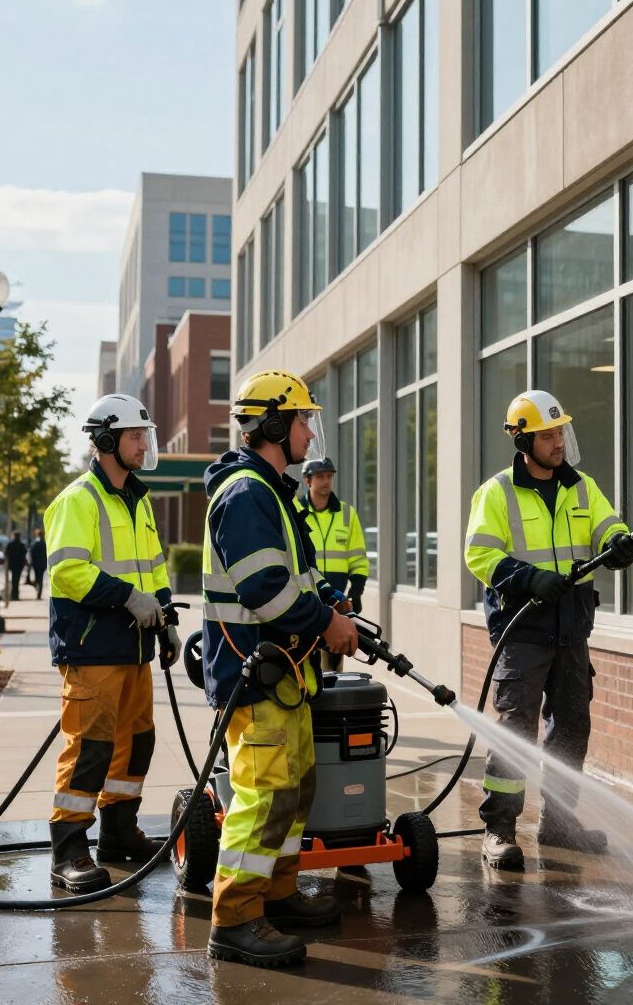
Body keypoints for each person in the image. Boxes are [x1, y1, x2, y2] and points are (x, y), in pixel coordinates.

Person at [202, 369, 358, 969]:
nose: (309, 430)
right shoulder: (247, 494)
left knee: (295, 790)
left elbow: (299, 576)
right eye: (301, 420)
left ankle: (278, 894)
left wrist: (335, 608)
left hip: (282, 673)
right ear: (272, 424)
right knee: (264, 794)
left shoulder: (274, 491)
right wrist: (324, 623)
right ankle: (236, 918)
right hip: (255, 670)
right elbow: (265, 588)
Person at [464, 390, 633, 870]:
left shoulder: (581, 486)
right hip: (522, 632)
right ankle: (499, 829)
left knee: (571, 729)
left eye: (560, 430)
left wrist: (618, 543)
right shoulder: (497, 491)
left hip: (571, 629)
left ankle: (560, 823)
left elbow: (607, 526)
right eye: (547, 434)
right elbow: (479, 554)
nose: (558, 440)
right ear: (524, 440)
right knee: (516, 734)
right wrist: (527, 578)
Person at [43, 393, 182, 894]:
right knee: (90, 750)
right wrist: (129, 599)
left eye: (145, 435)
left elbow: (155, 565)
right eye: (134, 436)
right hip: (91, 647)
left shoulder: (138, 499)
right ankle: (70, 849)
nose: (144, 445)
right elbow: (68, 571)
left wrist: (163, 617)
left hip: (134, 647)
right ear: (105, 441)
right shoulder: (77, 500)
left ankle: (119, 833)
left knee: (135, 743)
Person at [297, 457, 369, 671]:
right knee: (306, 659)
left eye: (329, 476)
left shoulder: (347, 514)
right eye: (320, 477)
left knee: (334, 662)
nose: (326, 481)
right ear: (307, 480)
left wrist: (356, 591)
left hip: (337, 600)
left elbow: (358, 557)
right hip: (305, 599)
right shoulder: (295, 512)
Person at [5, 531, 26, 600]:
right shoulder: (21, 545)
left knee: (14, 580)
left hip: (12, 565)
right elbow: (24, 555)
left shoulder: (10, 544)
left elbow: (6, 554)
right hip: (19, 565)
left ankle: (13, 595)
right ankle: (15, 595)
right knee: (16, 580)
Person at [29, 527, 47, 598]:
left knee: (37, 578)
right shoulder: (44, 544)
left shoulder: (35, 543)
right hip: (42, 564)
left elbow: (32, 553)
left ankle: (37, 590)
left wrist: (32, 562)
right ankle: (39, 594)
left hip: (36, 564)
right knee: (40, 579)